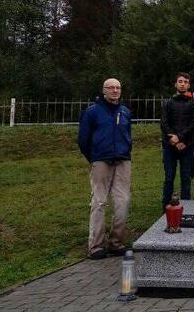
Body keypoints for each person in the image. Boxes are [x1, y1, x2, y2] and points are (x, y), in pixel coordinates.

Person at [77, 78, 132, 260]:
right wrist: (93, 157)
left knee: (122, 201)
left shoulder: (125, 112)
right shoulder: (92, 112)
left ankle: (116, 242)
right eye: (111, 88)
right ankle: (95, 245)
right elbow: (83, 139)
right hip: (101, 160)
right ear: (104, 90)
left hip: (123, 160)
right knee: (99, 202)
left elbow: (127, 134)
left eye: (118, 87)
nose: (115, 90)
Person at [160, 72, 194, 208]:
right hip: (170, 145)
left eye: (185, 82)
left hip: (187, 145)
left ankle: (185, 207)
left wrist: (181, 138)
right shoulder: (168, 103)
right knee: (169, 178)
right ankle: (165, 207)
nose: (182, 84)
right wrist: (173, 138)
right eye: (180, 81)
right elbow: (164, 123)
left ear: (189, 85)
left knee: (186, 178)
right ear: (176, 84)